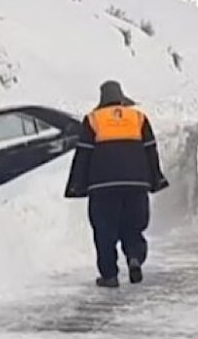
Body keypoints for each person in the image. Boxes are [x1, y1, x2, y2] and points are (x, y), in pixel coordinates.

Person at [65, 80, 169, 288]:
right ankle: (134, 258)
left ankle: (110, 276)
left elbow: (84, 154)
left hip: (103, 188)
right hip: (135, 185)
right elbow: (150, 150)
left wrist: (76, 184)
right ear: (121, 98)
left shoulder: (93, 120)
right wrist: (155, 178)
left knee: (104, 231)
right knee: (133, 227)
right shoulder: (138, 118)